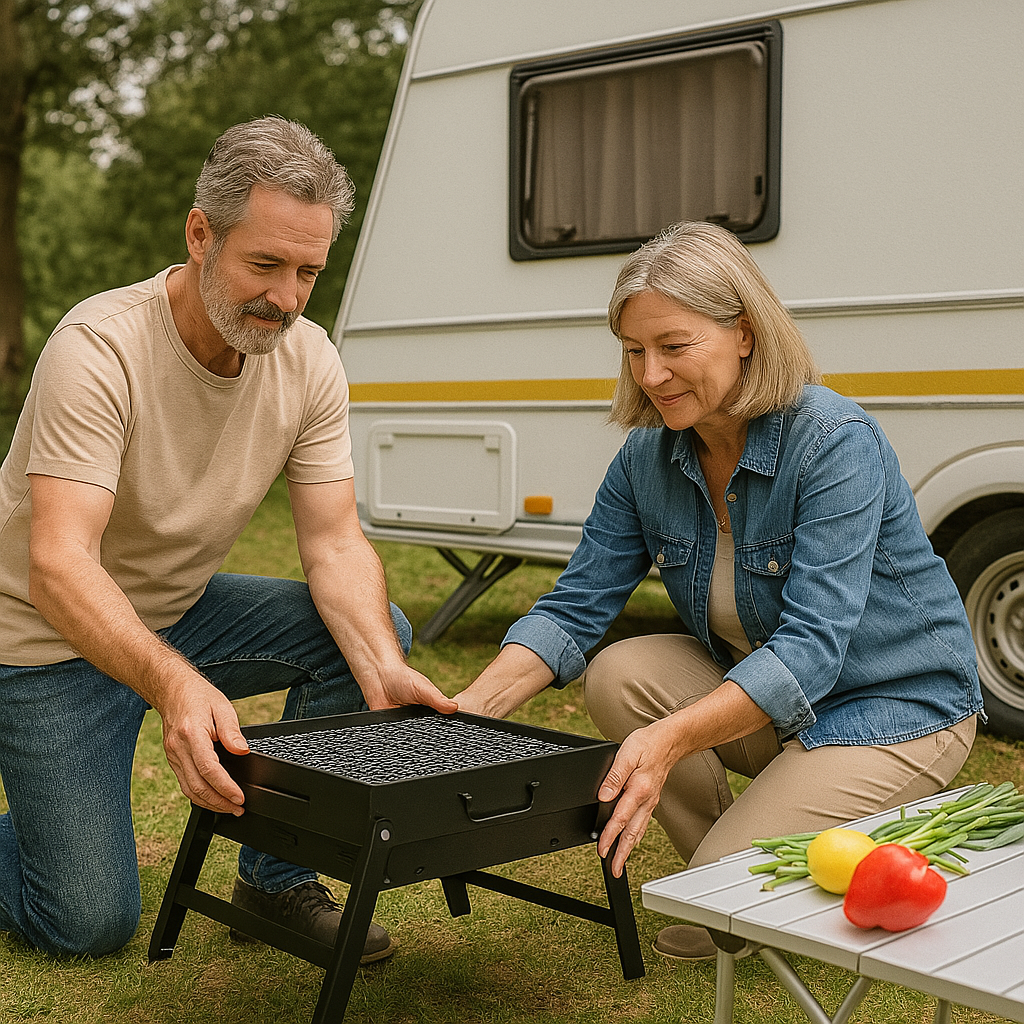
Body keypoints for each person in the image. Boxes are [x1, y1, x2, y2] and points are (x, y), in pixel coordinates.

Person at [453, 220, 984, 961]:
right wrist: (468, 714)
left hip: (893, 706)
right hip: (776, 707)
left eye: (674, 347)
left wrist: (665, 741)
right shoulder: (648, 457)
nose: (651, 374)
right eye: (634, 350)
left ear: (743, 333)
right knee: (619, 673)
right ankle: (744, 866)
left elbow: (810, 649)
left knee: (707, 915)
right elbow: (575, 610)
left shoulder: (833, 440)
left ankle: (827, 828)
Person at [0, 116, 455, 960]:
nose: (285, 297)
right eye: (266, 264)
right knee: (88, 922)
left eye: (308, 272)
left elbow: (333, 543)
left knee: (371, 638)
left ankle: (276, 879)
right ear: (200, 234)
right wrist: (176, 687)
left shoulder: (310, 360)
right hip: (43, 638)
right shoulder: (98, 347)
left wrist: (382, 669)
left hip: (180, 610)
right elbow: (60, 567)